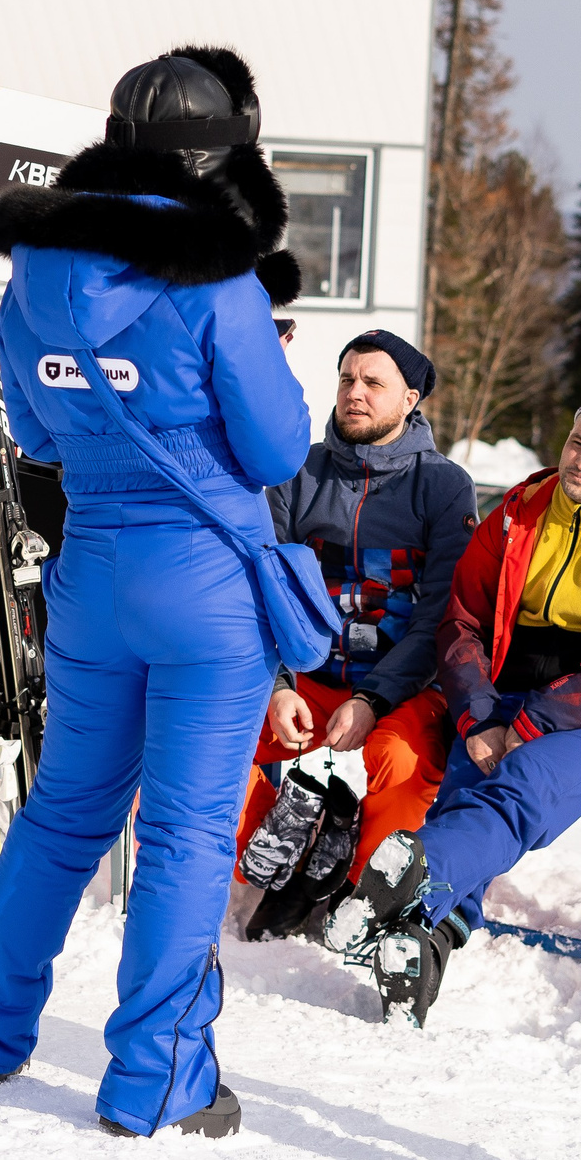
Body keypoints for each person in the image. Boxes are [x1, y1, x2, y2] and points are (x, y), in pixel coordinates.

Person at [0, 47, 310, 1139]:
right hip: (205, 593)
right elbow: (279, 448)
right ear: (222, 155)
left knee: (64, 812)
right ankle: (157, 1080)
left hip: (91, 574)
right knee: (189, 835)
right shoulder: (220, 284)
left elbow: (39, 434)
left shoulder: (35, 277)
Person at [319, 370, 581, 1027]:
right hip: (500, 691)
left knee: (519, 788)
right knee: (472, 782)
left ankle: (418, 873)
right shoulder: (520, 511)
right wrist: (480, 714)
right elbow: (460, 618)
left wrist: (529, 724)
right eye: (579, 442)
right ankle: (427, 942)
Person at [234, 330, 477, 941]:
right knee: (209, 737)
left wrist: (375, 700)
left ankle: (352, 883)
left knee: (399, 761)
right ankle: (283, 856)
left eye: (374, 383)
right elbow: (264, 588)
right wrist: (279, 684)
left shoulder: (443, 486)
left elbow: (440, 617)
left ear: (411, 398)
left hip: (397, 689)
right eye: (347, 379)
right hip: (306, 681)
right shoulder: (297, 472)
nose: (355, 393)